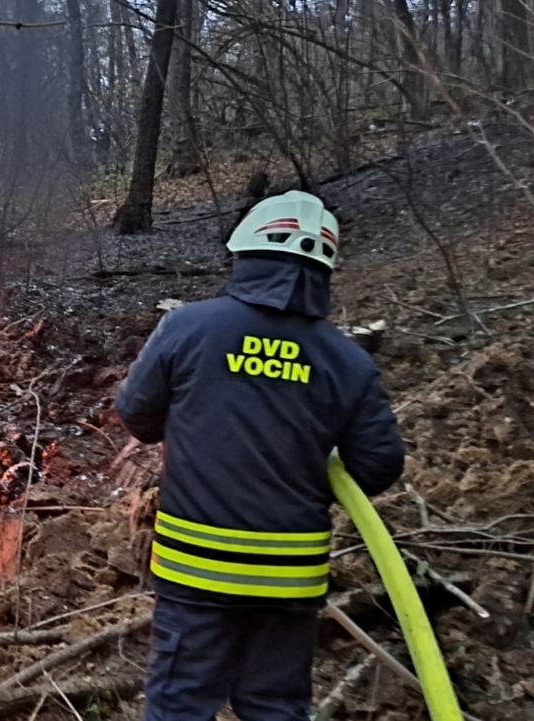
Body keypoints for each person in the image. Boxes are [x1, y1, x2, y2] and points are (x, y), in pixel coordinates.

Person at [114, 190, 406, 721]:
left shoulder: (188, 328)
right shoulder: (347, 360)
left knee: (181, 702)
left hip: (195, 573)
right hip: (290, 577)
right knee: (275, 704)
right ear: (324, 271)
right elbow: (379, 465)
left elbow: (136, 413)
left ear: (244, 255)